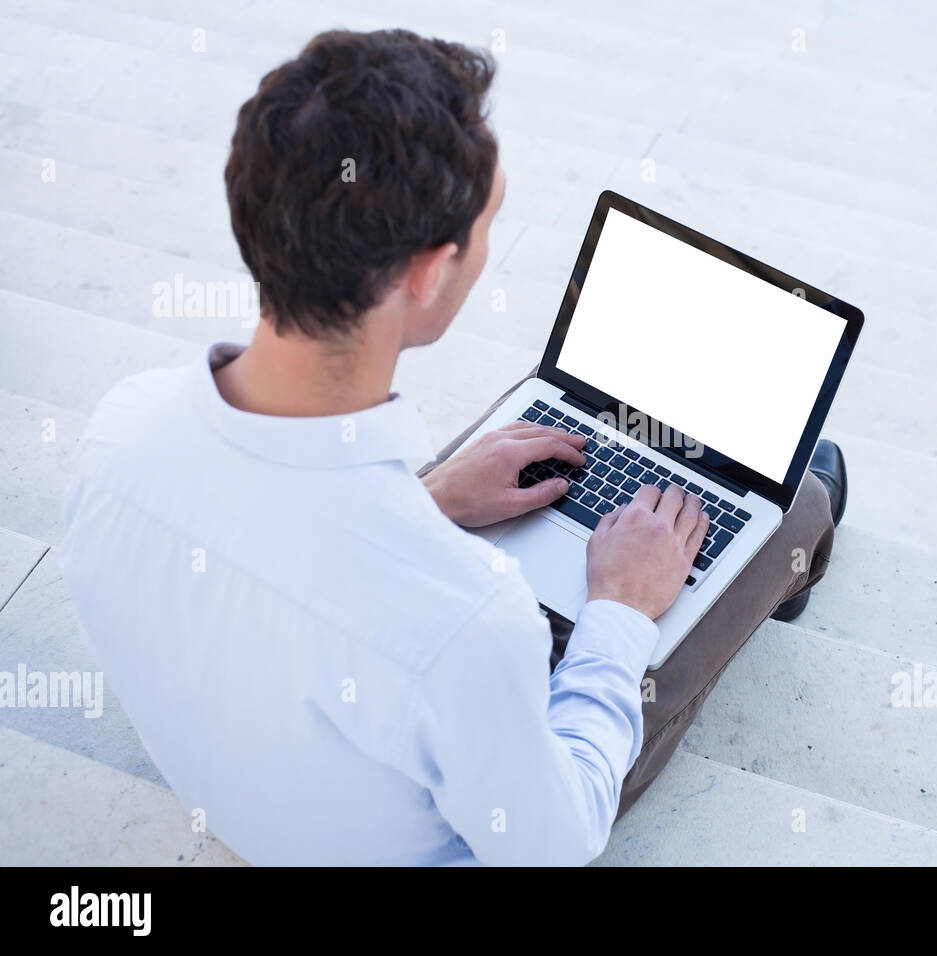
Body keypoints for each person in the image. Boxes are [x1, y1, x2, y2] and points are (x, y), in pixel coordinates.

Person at [59, 29, 846, 866]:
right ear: (431, 274)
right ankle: (794, 558)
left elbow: (283, 567)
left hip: (253, 794)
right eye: (488, 223)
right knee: (795, 502)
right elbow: (558, 836)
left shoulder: (116, 434)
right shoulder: (470, 621)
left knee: (546, 434)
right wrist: (618, 611)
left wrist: (426, 501)